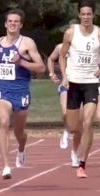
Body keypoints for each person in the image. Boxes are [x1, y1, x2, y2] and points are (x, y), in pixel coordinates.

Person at [0, 8, 46, 179]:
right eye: (10, 21)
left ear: (20, 25)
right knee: (4, 122)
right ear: (5, 24)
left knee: (19, 132)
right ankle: (6, 166)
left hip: (21, 91)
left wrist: (21, 62)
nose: (12, 24)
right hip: (2, 90)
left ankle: (21, 148)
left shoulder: (27, 43)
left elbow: (41, 68)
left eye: (16, 22)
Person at [59, 0, 100, 178]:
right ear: (79, 15)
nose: (85, 17)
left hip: (91, 82)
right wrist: (64, 76)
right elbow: (61, 56)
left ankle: (82, 163)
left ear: (93, 15)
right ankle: (71, 135)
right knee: (75, 126)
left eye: (88, 14)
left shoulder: (98, 33)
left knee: (89, 121)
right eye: (83, 14)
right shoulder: (70, 33)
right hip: (73, 83)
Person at [47, 43, 82, 167]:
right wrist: (52, 74)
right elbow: (51, 59)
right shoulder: (60, 47)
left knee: (79, 122)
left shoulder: (86, 46)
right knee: (65, 112)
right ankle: (66, 129)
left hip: (83, 85)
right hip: (66, 85)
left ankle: (75, 153)